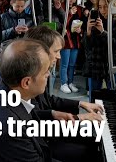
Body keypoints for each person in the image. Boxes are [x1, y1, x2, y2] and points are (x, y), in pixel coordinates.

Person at [24, 26, 103, 162]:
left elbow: (46, 102)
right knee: (90, 149)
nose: (59, 56)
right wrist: (78, 118)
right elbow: (33, 123)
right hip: (42, 140)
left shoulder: (37, 73)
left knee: (93, 139)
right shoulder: (29, 79)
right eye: (56, 51)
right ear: (40, 51)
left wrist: (80, 103)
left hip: (45, 131)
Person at [0, 38, 56, 162]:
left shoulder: (2, 87)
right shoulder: (10, 128)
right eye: (45, 72)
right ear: (26, 82)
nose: (48, 75)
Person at [59, 0, 83, 94]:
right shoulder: (62, 7)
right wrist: (69, 13)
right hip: (66, 39)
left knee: (72, 64)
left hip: (75, 39)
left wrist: (80, 30)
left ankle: (70, 82)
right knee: (64, 64)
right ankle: (63, 83)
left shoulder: (78, 9)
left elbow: (82, 22)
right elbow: (63, 23)